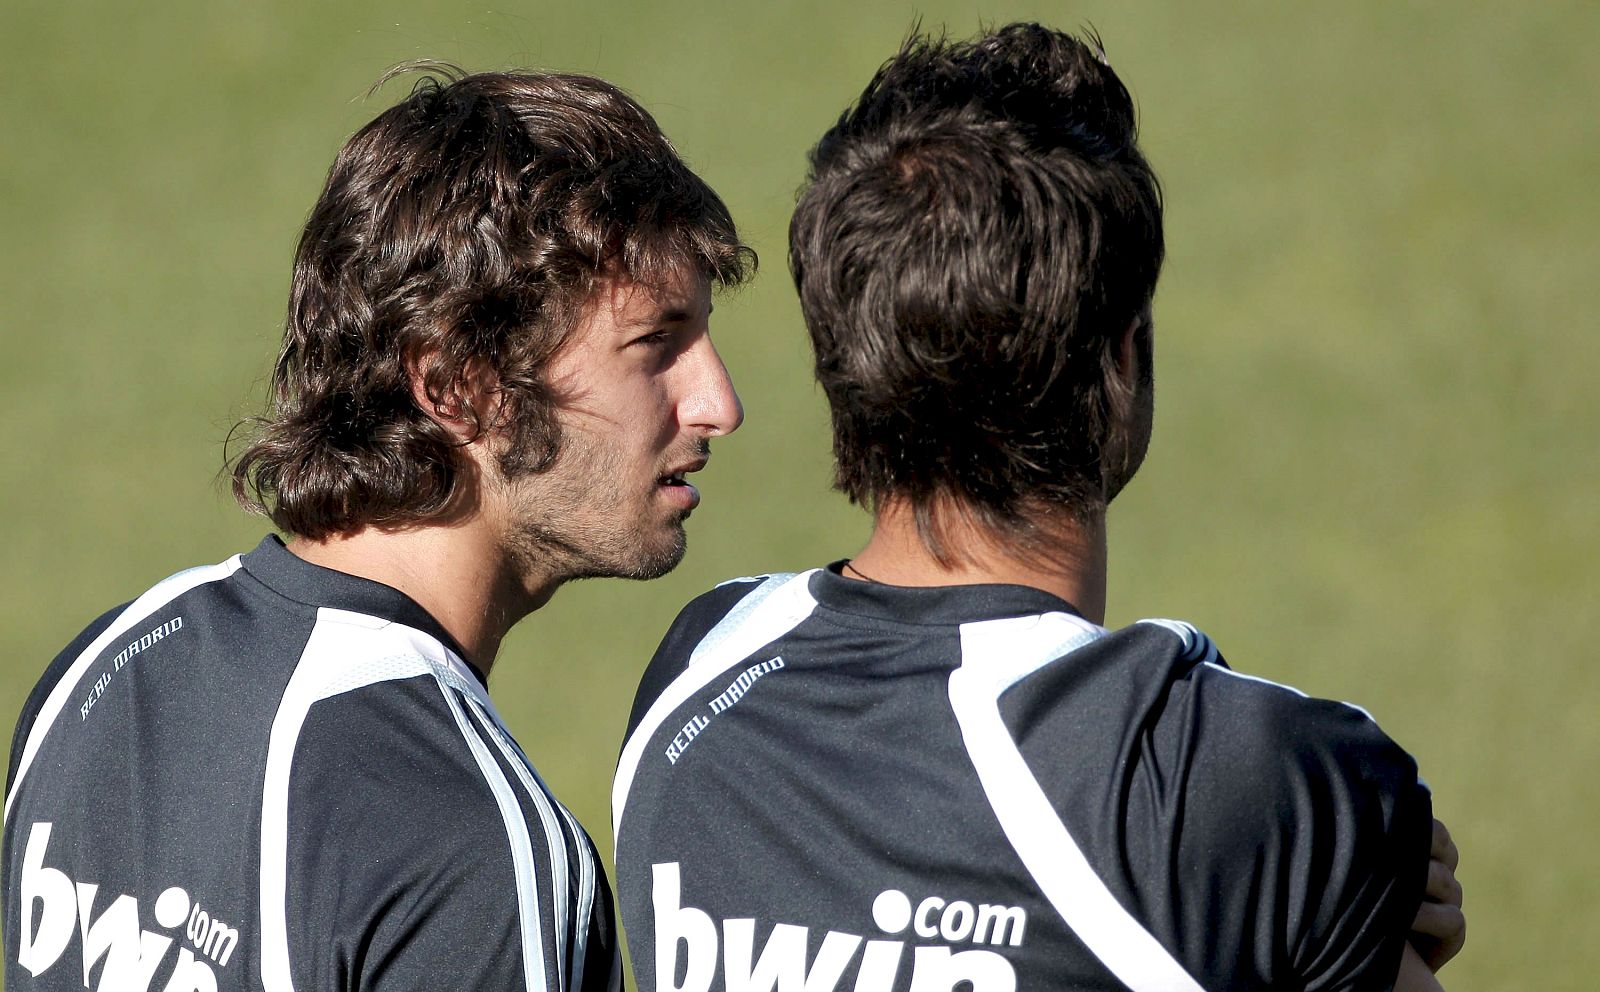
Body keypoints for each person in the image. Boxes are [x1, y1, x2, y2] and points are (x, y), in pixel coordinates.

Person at [612, 24, 1463, 992]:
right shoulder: (1260, 778)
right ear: (1119, 362)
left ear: (845, 366)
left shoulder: (697, 670)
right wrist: (1346, 871)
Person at [4, 66, 750, 991]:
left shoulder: (101, 671)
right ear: (456, 388)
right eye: (656, 344)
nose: (719, 402)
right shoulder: (472, 842)